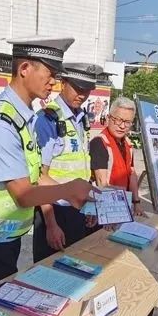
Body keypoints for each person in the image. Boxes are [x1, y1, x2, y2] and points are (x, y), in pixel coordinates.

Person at [0, 36, 96, 295]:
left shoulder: (23, 120)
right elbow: (23, 194)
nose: (53, 82)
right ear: (24, 69)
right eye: (49, 73)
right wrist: (69, 191)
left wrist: (89, 194)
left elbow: (36, 177)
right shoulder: (2, 122)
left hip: (7, 237)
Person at [32, 63, 101, 262]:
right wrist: (51, 224)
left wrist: (88, 208)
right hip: (55, 211)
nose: (82, 95)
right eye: (78, 88)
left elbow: (81, 169)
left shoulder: (81, 119)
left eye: (87, 90)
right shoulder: (47, 120)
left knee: (75, 271)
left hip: (77, 208)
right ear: (63, 84)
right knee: (50, 274)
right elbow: (38, 177)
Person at [89, 97, 145, 216]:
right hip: (107, 208)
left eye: (127, 122)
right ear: (109, 118)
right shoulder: (99, 142)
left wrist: (136, 202)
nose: (122, 126)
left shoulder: (128, 143)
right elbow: (101, 183)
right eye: (118, 120)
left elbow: (132, 174)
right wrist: (110, 214)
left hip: (123, 204)